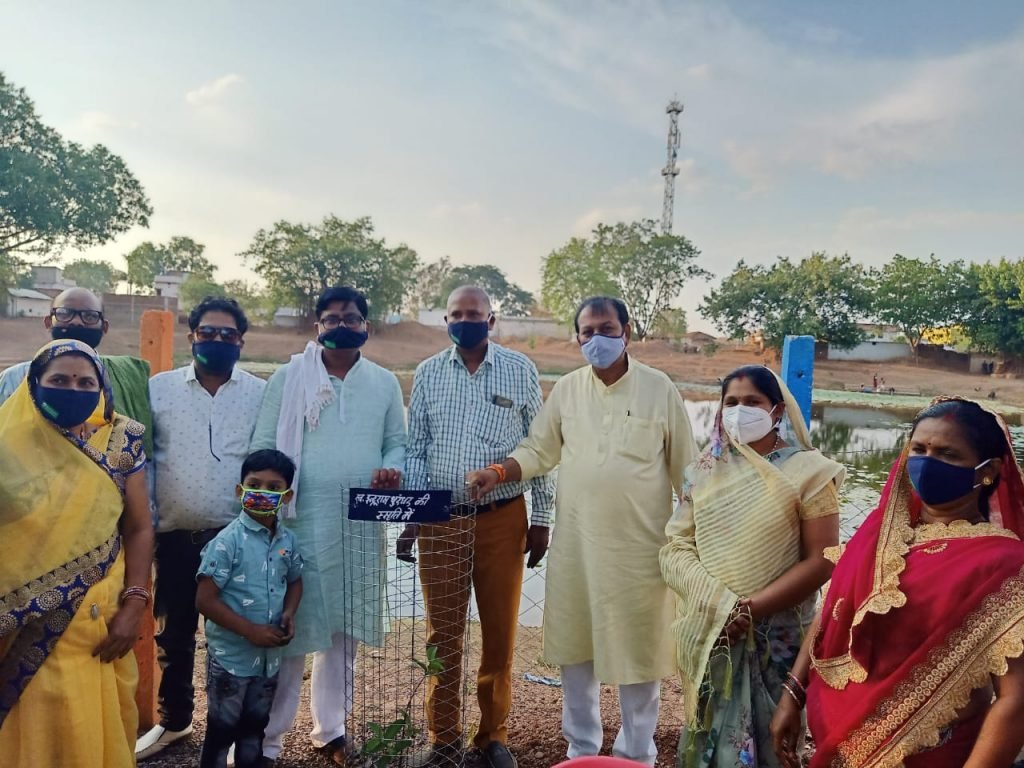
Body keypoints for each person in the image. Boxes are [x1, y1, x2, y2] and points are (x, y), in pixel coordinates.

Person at [466, 296, 698, 766]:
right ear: (577, 338)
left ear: (626, 333)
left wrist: (691, 537)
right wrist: (499, 471)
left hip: (640, 552)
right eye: (587, 331)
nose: (596, 339)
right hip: (577, 549)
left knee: (639, 656)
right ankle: (581, 750)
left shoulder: (659, 389)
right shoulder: (568, 390)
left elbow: (688, 473)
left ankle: (636, 756)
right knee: (576, 656)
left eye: (606, 329)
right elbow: (539, 450)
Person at [771, 397, 1024, 768]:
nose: (927, 462)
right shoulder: (881, 535)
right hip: (833, 738)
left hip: (929, 754)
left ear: (988, 471)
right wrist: (792, 694)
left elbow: (1015, 700)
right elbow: (833, 610)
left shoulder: (1003, 564)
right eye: (919, 449)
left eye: (948, 454)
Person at [399, 285, 556, 768]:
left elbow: (538, 446)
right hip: (441, 519)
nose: (465, 321)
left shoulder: (519, 369)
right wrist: (415, 513)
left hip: (502, 518)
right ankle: (443, 737)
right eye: (456, 314)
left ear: (491, 320)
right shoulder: (428, 372)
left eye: (474, 314)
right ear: (445, 320)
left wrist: (542, 517)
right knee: (441, 634)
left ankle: (492, 737)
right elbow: (416, 450)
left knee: (499, 633)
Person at [251, 285, 406, 765]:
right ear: (317, 326)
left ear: (366, 326)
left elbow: (396, 442)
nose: (342, 325)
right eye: (332, 318)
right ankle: (267, 741)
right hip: (298, 522)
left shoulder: (384, 383)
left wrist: (391, 468)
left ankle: (331, 730)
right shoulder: (289, 378)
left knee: (344, 630)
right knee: (288, 631)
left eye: (351, 318)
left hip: (358, 526)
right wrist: (264, 516)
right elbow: (263, 447)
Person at [659, 365, 844, 767]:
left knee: (772, 743)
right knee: (707, 739)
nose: (739, 411)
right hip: (714, 628)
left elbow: (822, 561)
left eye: (752, 402)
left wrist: (747, 609)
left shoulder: (811, 473)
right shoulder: (704, 470)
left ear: (777, 410)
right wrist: (719, 606)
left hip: (776, 637)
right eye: (731, 402)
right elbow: (677, 546)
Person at [0, 340, 154, 767]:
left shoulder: (121, 439)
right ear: (34, 384)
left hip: (97, 618)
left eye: (86, 382)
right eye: (59, 380)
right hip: (20, 621)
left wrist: (135, 602)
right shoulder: (8, 444)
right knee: (29, 721)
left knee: (91, 724)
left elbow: (139, 527)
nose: (73, 389)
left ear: (101, 387)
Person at [137, 297, 267, 759]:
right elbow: (142, 458)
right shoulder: (159, 389)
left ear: (241, 341)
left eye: (227, 334)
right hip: (175, 537)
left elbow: (266, 464)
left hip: (236, 541)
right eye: (207, 333)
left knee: (233, 639)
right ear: (191, 336)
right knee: (173, 636)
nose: (216, 340)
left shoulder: (260, 393)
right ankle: (174, 721)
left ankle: (231, 732)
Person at [196, 449, 304, 768]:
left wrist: (289, 613)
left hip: (268, 660)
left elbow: (295, 581)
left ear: (287, 496)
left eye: (274, 487)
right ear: (240, 490)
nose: (263, 492)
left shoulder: (288, 542)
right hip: (230, 659)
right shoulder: (226, 543)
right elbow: (205, 600)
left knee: (255, 729)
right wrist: (250, 631)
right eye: (255, 485)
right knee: (221, 730)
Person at [0, 287, 154, 455]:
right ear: (48, 321)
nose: (76, 322)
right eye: (65, 313)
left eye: (89, 316)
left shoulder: (123, 378)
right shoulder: (12, 379)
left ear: (104, 327)